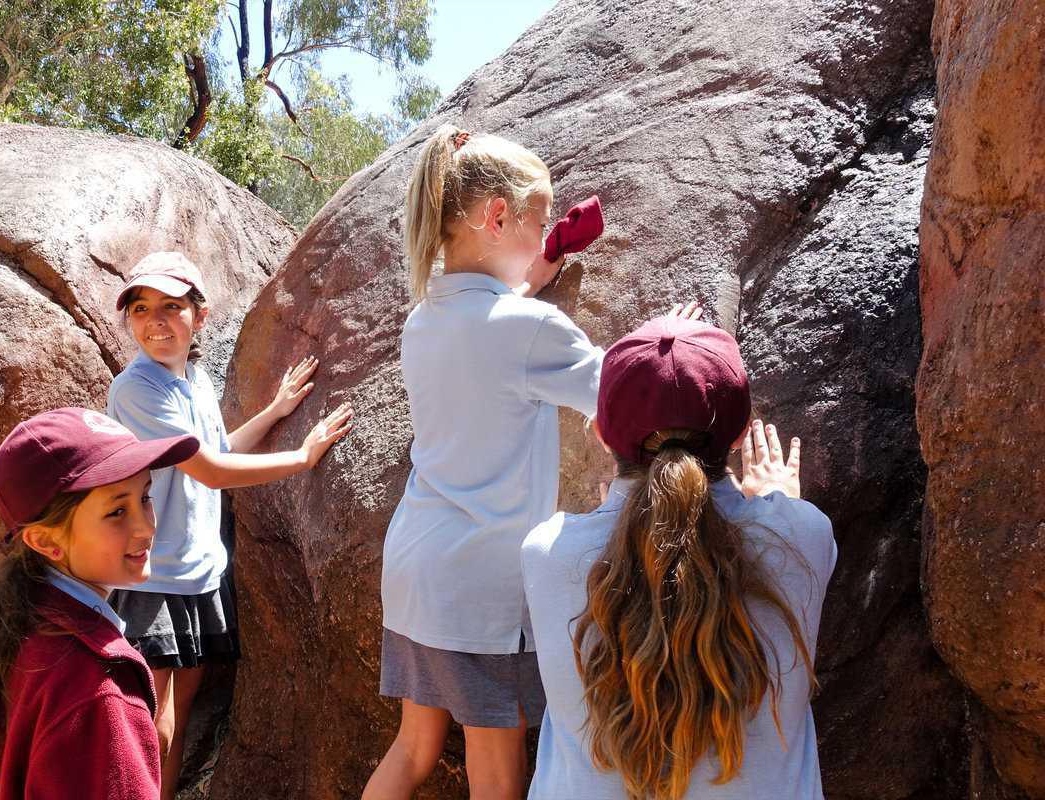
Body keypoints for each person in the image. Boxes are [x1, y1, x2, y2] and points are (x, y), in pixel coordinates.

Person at [364, 122, 607, 800]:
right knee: (494, 774)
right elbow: (620, 387)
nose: (546, 231)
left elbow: (491, 336)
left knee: (413, 749)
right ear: (497, 216)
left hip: (415, 571)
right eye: (541, 218)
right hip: (481, 590)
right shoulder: (528, 331)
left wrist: (540, 269)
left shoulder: (426, 317)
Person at [521, 316, 838, 799]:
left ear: (603, 433)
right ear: (738, 436)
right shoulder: (803, 535)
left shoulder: (546, 552)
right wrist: (779, 503)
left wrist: (621, 512)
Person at [107, 251, 353, 799]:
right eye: (141, 309)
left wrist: (276, 411)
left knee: (181, 714)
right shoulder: (137, 389)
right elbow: (213, 473)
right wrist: (302, 458)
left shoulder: (192, 379)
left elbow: (218, 450)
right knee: (155, 724)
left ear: (201, 313)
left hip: (199, 571)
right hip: (155, 575)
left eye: (172, 307)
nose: (156, 321)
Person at [0, 407, 201, 799]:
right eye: (117, 511)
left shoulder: (23, 621)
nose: (147, 525)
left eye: (144, 496)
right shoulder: (99, 690)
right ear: (46, 541)